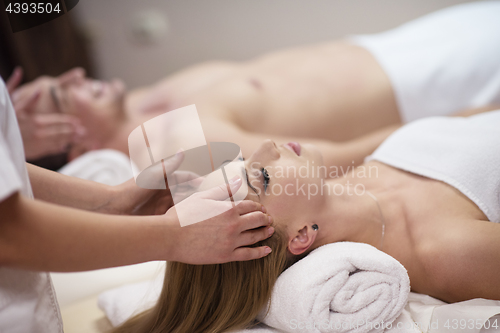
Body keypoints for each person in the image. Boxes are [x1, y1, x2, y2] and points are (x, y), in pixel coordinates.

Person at [112, 109, 500, 333]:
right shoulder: (445, 251)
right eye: (261, 178)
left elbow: (465, 119)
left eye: (245, 163)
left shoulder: (342, 172)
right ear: (300, 236)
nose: (266, 148)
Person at [9, 1, 500, 170]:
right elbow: (332, 160)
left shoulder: (136, 105)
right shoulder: (176, 143)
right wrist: (460, 121)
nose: (76, 74)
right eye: (59, 93)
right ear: (71, 144)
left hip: (399, 46)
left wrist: (9, 124)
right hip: (431, 87)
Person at [0, 78, 274, 332]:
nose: (270, 144)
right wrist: (173, 236)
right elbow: (9, 234)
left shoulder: (153, 100)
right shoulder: (185, 138)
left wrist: (112, 201)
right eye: (263, 177)